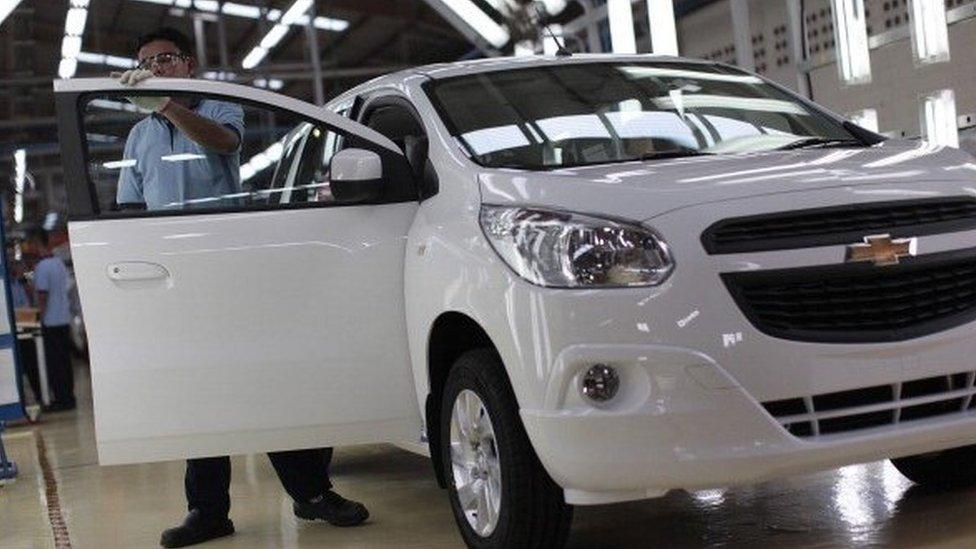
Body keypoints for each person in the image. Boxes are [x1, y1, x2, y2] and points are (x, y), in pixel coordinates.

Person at [116, 28, 369, 548]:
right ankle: (207, 511)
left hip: (230, 270)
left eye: (164, 59)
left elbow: (224, 143)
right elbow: (129, 210)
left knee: (264, 382)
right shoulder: (138, 137)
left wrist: (165, 105)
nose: (155, 68)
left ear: (187, 64)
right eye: (144, 64)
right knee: (200, 393)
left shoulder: (218, 109)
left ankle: (312, 493)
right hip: (175, 281)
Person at [29, 233, 74, 412]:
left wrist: (39, 316)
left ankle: (61, 400)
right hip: (63, 319)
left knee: (54, 363)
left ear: (39, 243)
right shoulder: (58, 263)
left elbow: (42, 295)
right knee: (65, 361)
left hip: (50, 321)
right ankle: (69, 397)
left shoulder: (42, 266)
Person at [9, 254, 41, 406]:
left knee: (32, 365)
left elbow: (27, 305)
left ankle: (38, 396)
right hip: (13, 333)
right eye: (14, 265)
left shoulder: (19, 284)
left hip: (26, 329)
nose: (17, 268)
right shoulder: (8, 286)